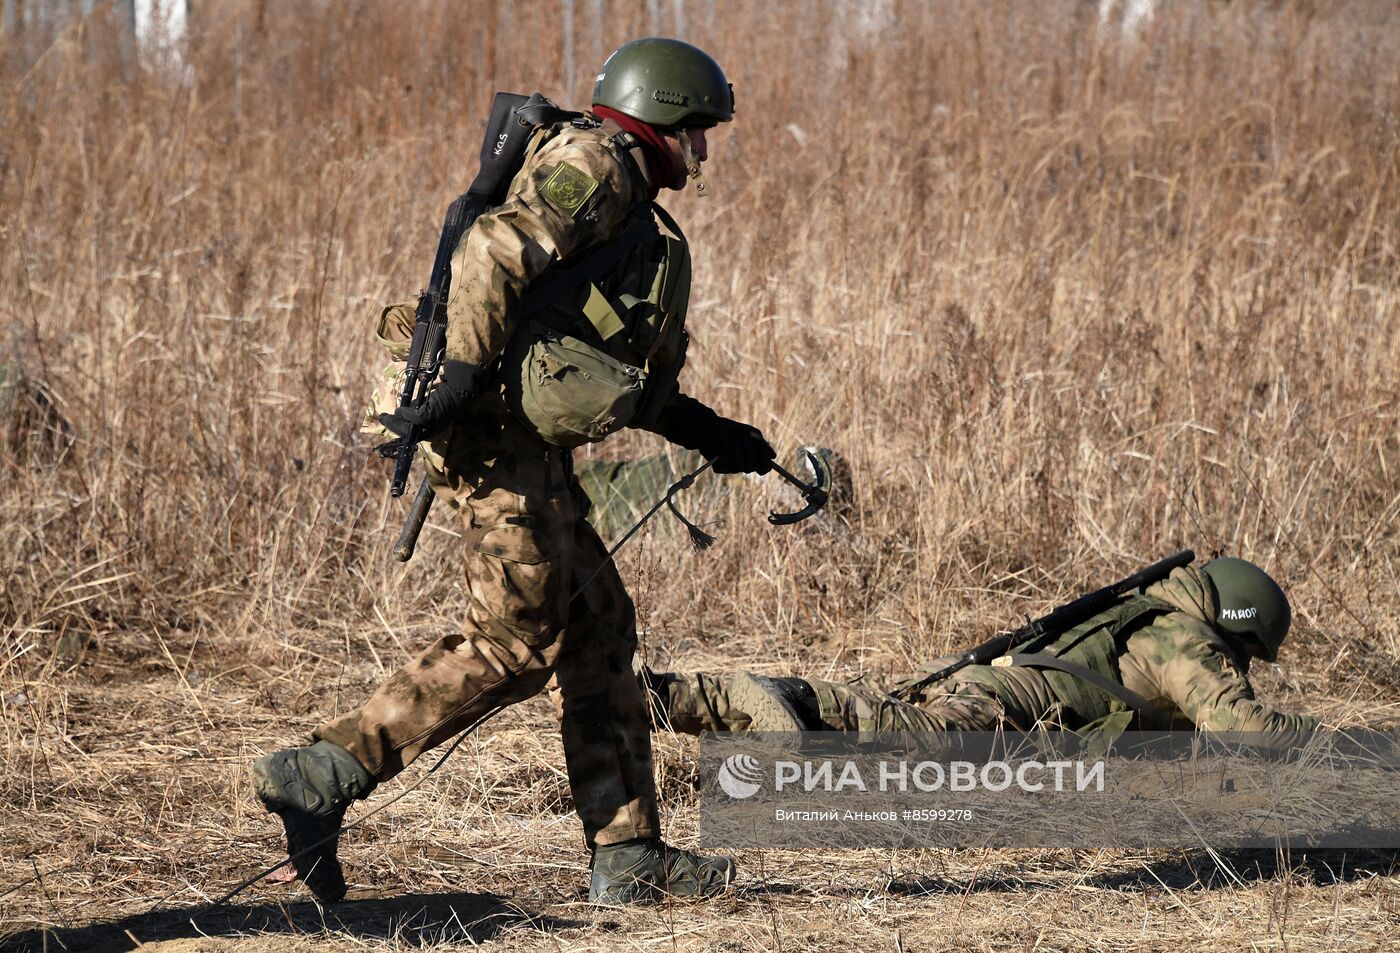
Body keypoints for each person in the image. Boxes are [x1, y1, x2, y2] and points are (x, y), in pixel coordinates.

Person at [252, 37, 776, 906]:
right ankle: (321, 770)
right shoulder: (597, 164)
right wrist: (459, 374)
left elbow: (580, 343)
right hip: (494, 436)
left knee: (600, 625)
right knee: (514, 637)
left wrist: (704, 428)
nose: (705, 151)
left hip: (519, 437)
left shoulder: (628, 192)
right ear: (660, 116)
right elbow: (496, 249)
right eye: (698, 130)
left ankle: (628, 854)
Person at [641, 557, 1322, 744]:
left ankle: (659, 698)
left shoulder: (1151, 617)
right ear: (1236, 630)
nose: (1241, 672)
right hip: (1011, 708)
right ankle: (758, 694)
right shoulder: (1184, 638)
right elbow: (1246, 731)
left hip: (1009, 695)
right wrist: (1335, 744)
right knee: (905, 739)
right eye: (1246, 658)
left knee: (888, 725)